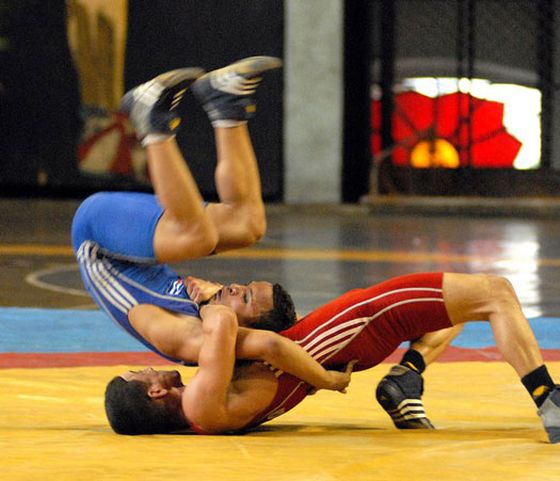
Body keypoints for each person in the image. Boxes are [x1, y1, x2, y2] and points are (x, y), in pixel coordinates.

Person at [71, 57, 354, 398]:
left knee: (198, 235)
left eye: (245, 298)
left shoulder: (185, 337)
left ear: (243, 328)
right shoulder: (214, 319)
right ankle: (226, 105)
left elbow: (270, 346)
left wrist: (326, 381)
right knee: (248, 225)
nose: (233, 287)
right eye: (244, 287)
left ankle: (150, 120)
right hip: (129, 244)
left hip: (97, 238)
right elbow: (271, 344)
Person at [106, 272, 560, 444]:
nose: (149, 365)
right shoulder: (202, 404)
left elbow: (265, 345)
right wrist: (206, 298)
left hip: (346, 337)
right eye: (142, 372)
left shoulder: (210, 404)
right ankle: (553, 407)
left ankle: (405, 380)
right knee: (495, 294)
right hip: (351, 328)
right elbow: (226, 323)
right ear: (154, 392)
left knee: (462, 307)